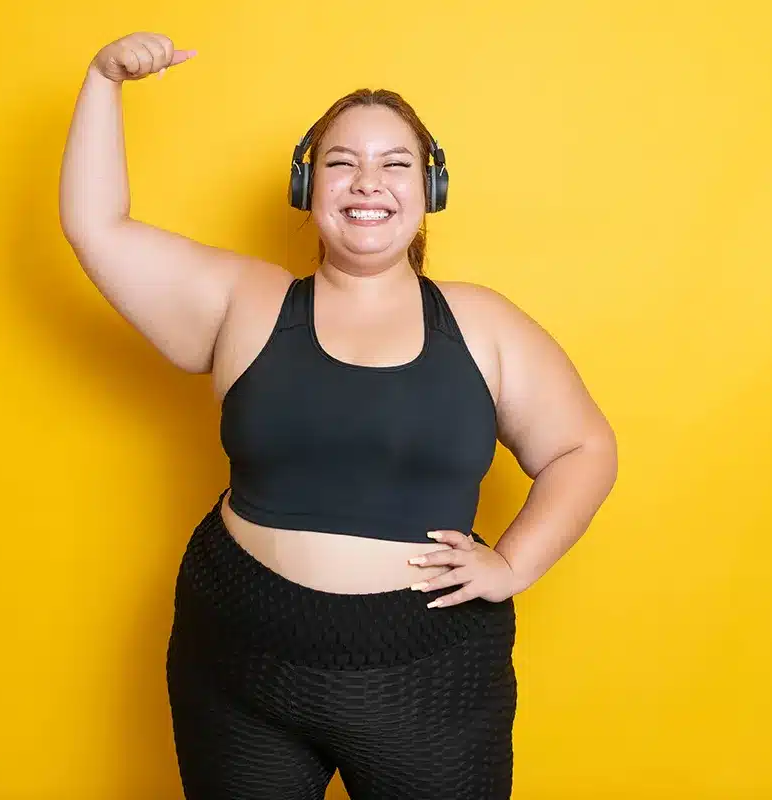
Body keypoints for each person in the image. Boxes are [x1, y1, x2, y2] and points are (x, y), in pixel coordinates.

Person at [59, 30, 618, 800]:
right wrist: (102, 81)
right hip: (240, 656)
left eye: (395, 164)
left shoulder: (484, 325)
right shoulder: (243, 302)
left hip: (428, 675)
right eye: (341, 162)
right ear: (306, 184)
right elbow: (97, 228)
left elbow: (583, 449)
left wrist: (516, 562)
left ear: (430, 190)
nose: (367, 183)